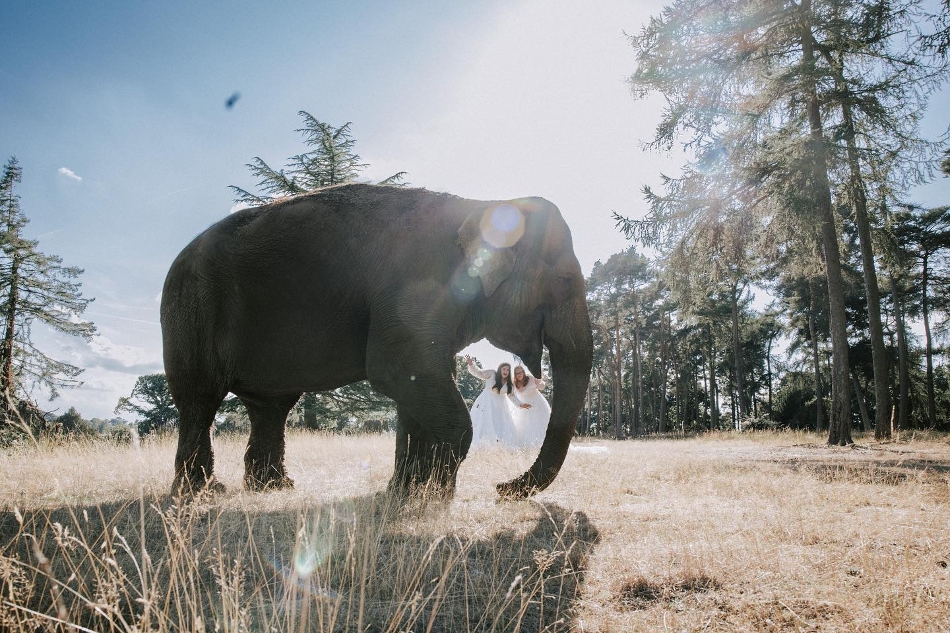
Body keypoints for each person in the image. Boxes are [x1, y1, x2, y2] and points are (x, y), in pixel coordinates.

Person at [466, 356, 530, 447]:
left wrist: (521, 404)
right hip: (486, 402)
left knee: (498, 424)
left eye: (508, 370)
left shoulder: (509, 384)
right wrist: (471, 364)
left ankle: (499, 445)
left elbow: (512, 396)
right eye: (504, 369)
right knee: (484, 421)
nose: (506, 371)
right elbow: (479, 373)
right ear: (500, 369)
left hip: (500, 406)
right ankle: (481, 444)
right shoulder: (492, 373)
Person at [511, 365, 551, 448]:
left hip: (537, 404)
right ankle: (527, 445)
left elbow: (541, 386)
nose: (519, 374)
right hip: (524, 406)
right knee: (525, 424)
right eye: (517, 373)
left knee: (538, 423)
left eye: (520, 372)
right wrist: (520, 405)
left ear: (523, 372)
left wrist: (540, 381)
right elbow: (511, 395)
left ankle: (542, 444)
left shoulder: (530, 378)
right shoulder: (514, 383)